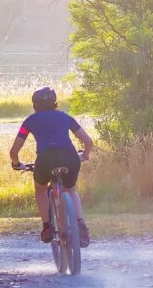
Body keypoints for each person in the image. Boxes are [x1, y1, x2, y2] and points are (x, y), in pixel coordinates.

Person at [9, 86, 93, 247]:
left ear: (35, 105)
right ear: (55, 102)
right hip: (70, 157)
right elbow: (88, 142)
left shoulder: (30, 121)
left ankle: (47, 227)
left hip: (45, 160)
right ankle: (80, 224)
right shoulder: (65, 117)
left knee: (40, 188)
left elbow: (14, 151)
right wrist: (85, 154)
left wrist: (17, 164)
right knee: (70, 190)